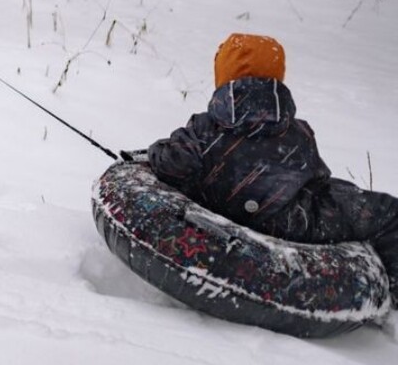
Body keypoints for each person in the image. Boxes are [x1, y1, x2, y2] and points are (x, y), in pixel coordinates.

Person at [144, 33, 396, 299]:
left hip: (219, 207)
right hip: (290, 224)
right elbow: (317, 177)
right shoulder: (299, 132)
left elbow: (171, 164)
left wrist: (156, 151)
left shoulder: (203, 129)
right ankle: (394, 293)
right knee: (387, 212)